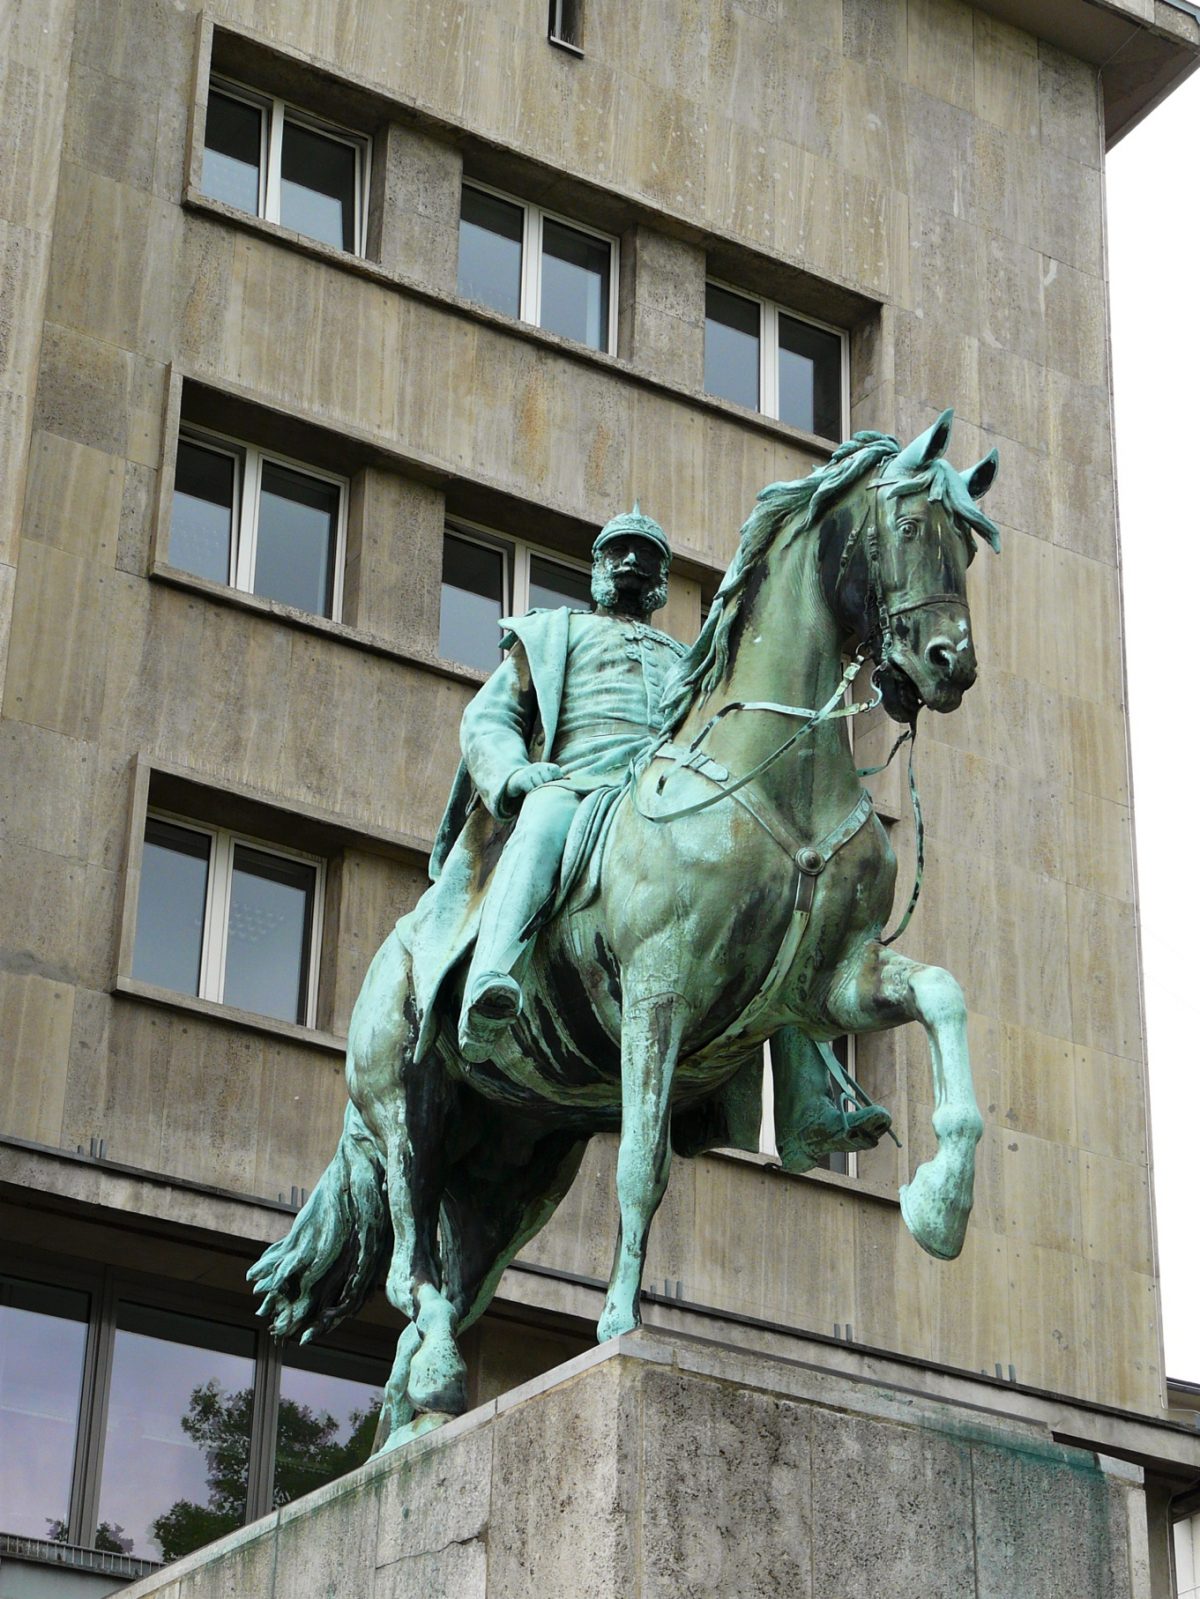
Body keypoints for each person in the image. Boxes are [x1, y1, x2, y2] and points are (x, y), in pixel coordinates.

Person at [451, 506, 684, 1059]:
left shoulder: (688, 658)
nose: (632, 563)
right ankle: (491, 977)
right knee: (545, 817)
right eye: (619, 552)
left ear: (664, 580)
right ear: (597, 566)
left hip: (669, 799)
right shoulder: (555, 633)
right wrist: (514, 775)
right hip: (577, 785)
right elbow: (492, 717)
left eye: (647, 556)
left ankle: (808, 1091)